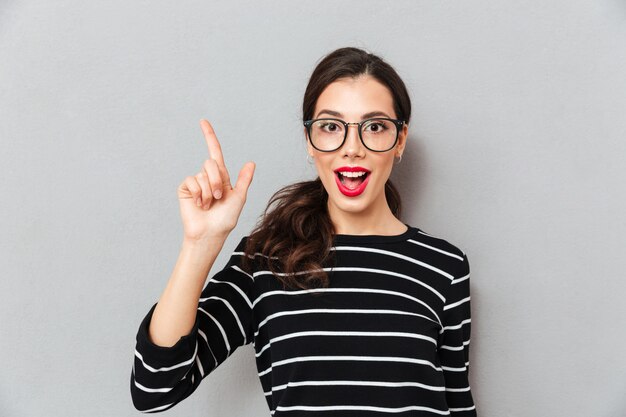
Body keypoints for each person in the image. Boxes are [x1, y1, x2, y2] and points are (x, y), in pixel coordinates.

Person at [130, 46, 477, 416]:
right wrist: (201, 244)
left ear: (400, 140)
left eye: (374, 127)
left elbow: (458, 403)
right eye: (331, 127)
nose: (352, 149)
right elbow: (155, 387)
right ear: (310, 141)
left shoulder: (444, 266)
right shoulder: (267, 258)